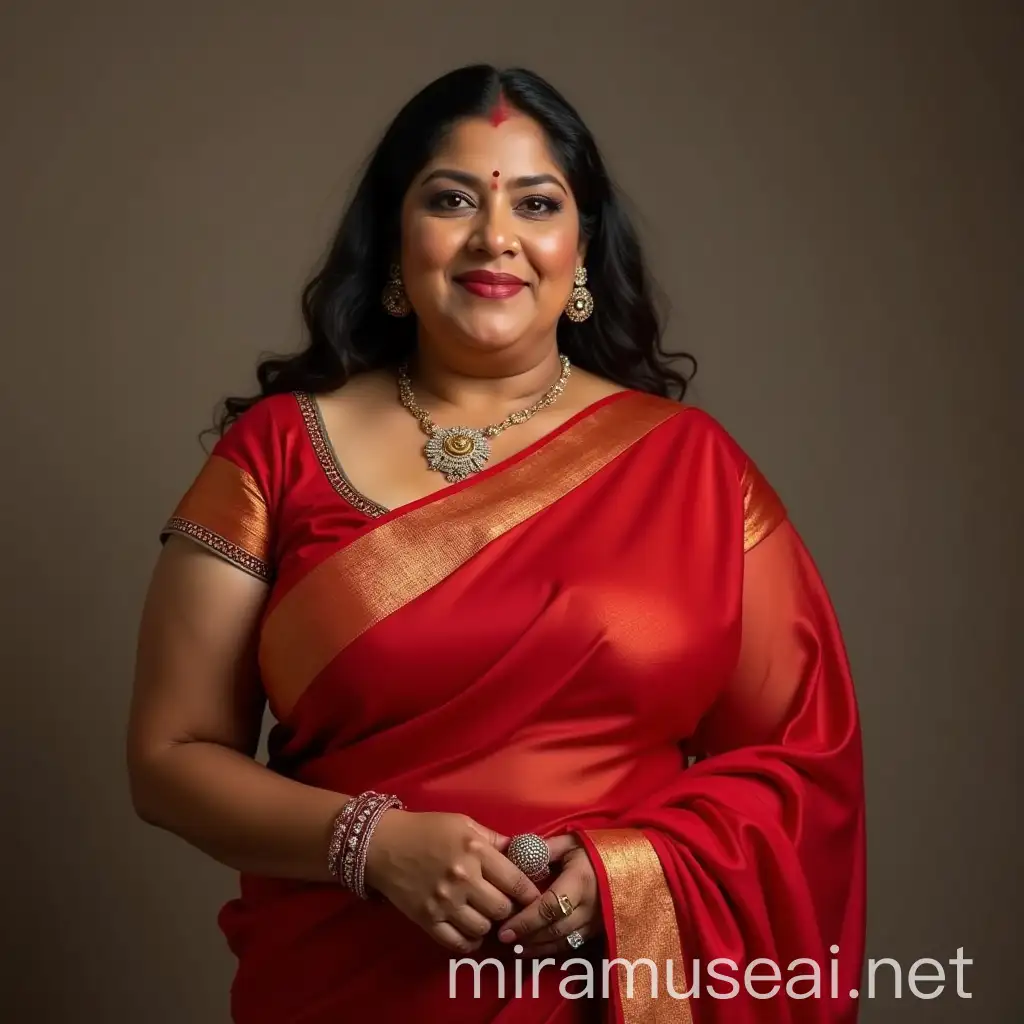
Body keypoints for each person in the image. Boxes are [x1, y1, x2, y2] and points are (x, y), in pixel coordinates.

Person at [127, 64, 866, 1024]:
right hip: (344, 985)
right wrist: (373, 844)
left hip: (601, 991)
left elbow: (801, 766)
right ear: (395, 241)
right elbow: (169, 757)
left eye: (537, 202)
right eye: (450, 200)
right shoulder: (275, 453)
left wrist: (627, 879)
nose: (496, 238)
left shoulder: (694, 467)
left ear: (582, 247)